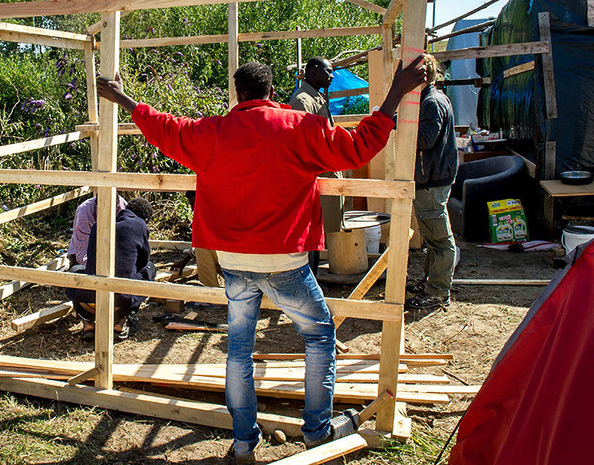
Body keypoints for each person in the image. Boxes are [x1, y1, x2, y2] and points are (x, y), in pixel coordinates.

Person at [96, 58, 425, 464]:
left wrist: (120, 97)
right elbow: (360, 146)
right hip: (284, 259)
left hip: (233, 260)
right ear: (271, 92)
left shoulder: (211, 132)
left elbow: (163, 127)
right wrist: (396, 90)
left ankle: (243, 444)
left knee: (238, 350)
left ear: (239, 94)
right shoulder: (299, 127)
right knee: (319, 337)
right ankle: (318, 432)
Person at [405, 54, 459, 310]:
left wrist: (399, 126)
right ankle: (430, 283)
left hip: (433, 178)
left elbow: (426, 139)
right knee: (432, 235)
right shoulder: (433, 98)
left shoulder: (431, 102)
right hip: (434, 176)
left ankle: (437, 292)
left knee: (440, 240)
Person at [66, 197, 156, 342]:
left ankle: (87, 323)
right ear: (144, 219)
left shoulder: (98, 225)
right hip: (122, 303)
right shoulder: (140, 225)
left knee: (75, 270)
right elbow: (142, 263)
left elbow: (87, 259)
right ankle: (122, 322)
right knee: (149, 269)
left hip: (88, 302)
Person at [290, 57, 344, 271]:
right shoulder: (303, 101)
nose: (331, 76)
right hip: (316, 179)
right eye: (328, 71)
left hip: (324, 175)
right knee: (311, 236)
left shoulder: (316, 98)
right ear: (313, 71)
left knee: (318, 236)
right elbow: (305, 145)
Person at [66, 193, 128, 267]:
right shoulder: (84, 213)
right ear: (97, 205)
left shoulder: (122, 207)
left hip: (112, 251)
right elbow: (82, 251)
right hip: (84, 254)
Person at [186, 190, 223, 287]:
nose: (192, 209)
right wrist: (184, 261)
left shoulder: (208, 216)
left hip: (230, 261)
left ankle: (211, 293)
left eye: (194, 204)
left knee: (201, 248)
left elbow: (202, 244)